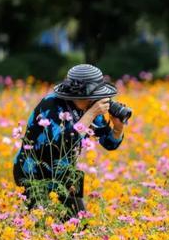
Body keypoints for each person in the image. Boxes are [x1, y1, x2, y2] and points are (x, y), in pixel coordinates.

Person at [13, 64, 126, 220]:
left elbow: (109, 143)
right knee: (39, 225)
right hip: (34, 174)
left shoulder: (90, 108)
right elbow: (61, 144)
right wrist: (91, 114)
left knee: (78, 224)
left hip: (64, 174)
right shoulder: (51, 106)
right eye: (95, 95)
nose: (98, 99)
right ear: (81, 95)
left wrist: (118, 128)